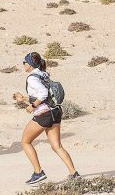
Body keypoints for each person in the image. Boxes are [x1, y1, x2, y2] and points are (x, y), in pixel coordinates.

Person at [11, 52, 78, 185]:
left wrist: (32, 106)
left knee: (25, 142)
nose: (23, 64)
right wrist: (23, 98)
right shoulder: (43, 74)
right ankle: (73, 173)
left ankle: (38, 173)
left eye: (24, 62)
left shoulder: (32, 78)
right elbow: (43, 96)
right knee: (57, 146)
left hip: (44, 114)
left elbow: (43, 93)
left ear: (30, 64)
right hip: (55, 111)